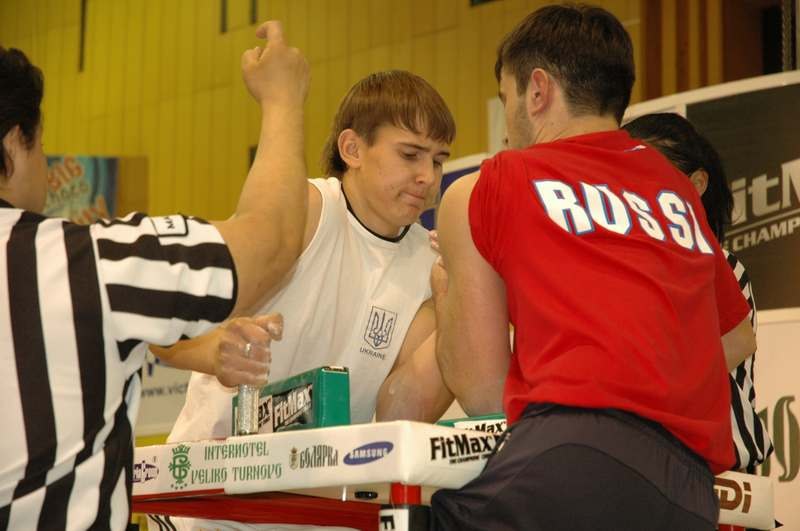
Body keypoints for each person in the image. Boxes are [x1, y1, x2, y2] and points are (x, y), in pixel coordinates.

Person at [428, 4, 757, 530]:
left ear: (537, 91)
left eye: (505, 99)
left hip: (568, 458)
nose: (508, 125)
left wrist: (444, 292)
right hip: (688, 489)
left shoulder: (488, 185)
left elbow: (482, 392)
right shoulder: (673, 188)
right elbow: (739, 336)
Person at [0, 21, 310, 530]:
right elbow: (272, 239)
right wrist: (283, 99)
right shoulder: (84, 262)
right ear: (16, 142)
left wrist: (203, 350)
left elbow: (116, 337)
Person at [152, 70, 456, 530]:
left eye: (438, 161)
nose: (426, 177)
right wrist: (216, 353)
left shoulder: (427, 263)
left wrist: (462, 295)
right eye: (410, 154)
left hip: (313, 515)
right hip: (207, 506)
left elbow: (400, 410)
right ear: (352, 149)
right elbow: (158, 324)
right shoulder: (301, 210)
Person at [623, 112, 773, 472]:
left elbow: (731, 347)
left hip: (719, 475)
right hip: (649, 470)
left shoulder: (719, 263)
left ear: (697, 183)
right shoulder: (625, 265)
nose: (632, 190)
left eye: (649, 174)